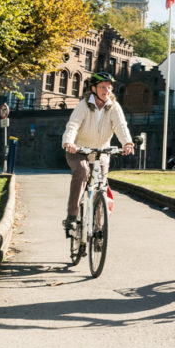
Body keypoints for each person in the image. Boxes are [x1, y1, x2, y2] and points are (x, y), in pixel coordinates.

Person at [61, 72, 134, 230]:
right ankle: (72, 216)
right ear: (93, 89)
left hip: (101, 153)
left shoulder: (113, 106)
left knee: (101, 187)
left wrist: (127, 143)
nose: (106, 91)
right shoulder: (84, 105)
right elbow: (73, 125)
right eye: (102, 87)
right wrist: (68, 142)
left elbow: (120, 126)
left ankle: (99, 230)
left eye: (109, 88)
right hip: (78, 151)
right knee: (82, 172)